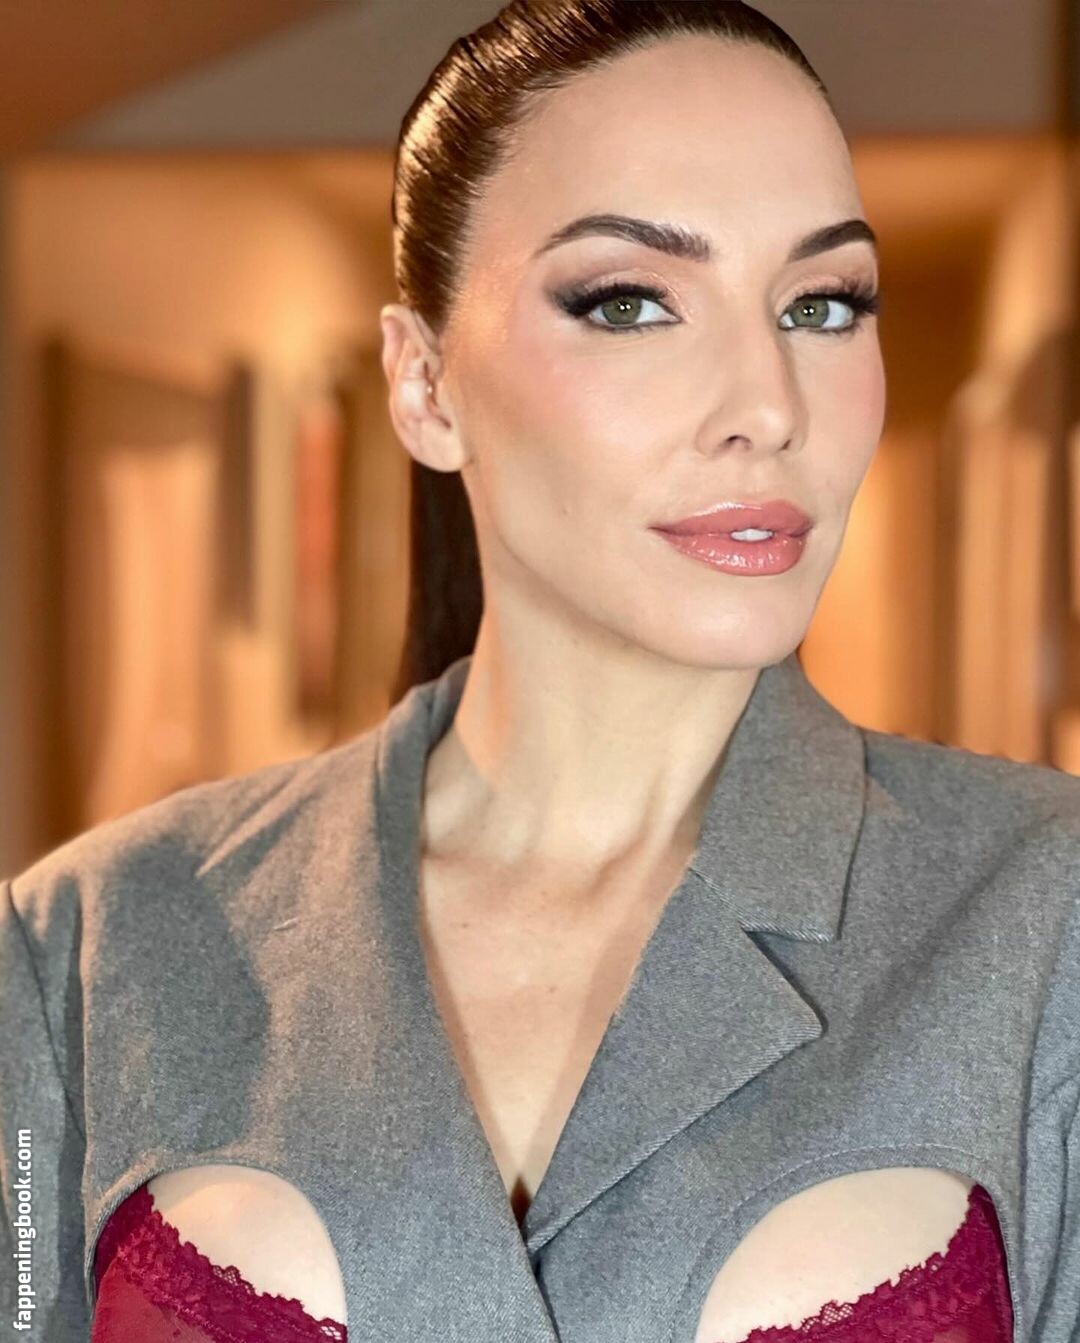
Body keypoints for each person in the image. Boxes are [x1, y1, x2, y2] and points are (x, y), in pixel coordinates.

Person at [2, 2, 1077, 1340]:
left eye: (822, 304)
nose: (769, 406)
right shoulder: (88, 948)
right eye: (631, 303)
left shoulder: (1045, 922)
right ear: (425, 388)